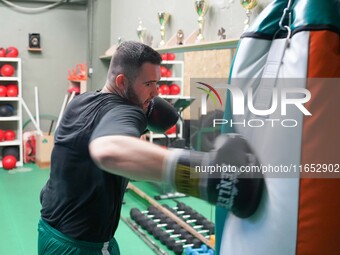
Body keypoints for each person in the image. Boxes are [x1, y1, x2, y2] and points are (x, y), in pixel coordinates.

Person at [38, 41, 263, 255]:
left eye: (157, 83)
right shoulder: (127, 111)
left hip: (50, 229)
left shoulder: (80, 101)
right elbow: (107, 150)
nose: (156, 93)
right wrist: (205, 176)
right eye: (148, 84)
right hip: (83, 246)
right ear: (122, 82)